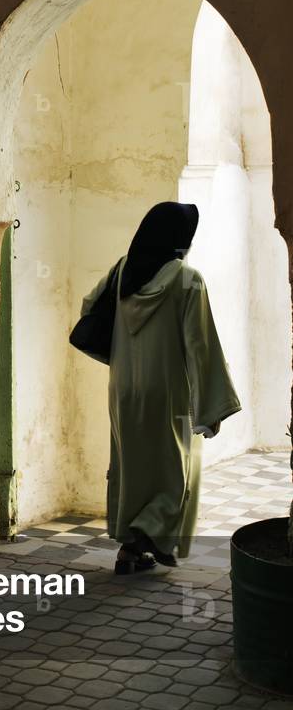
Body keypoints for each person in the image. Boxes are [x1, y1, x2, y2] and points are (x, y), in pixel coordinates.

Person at [80, 201, 241, 575]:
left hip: (123, 388)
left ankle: (132, 549)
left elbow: (90, 305)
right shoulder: (187, 280)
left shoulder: (124, 270)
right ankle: (154, 540)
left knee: (132, 467)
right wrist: (212, 405)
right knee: (173, 470)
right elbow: (201, 344)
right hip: (168, 392)